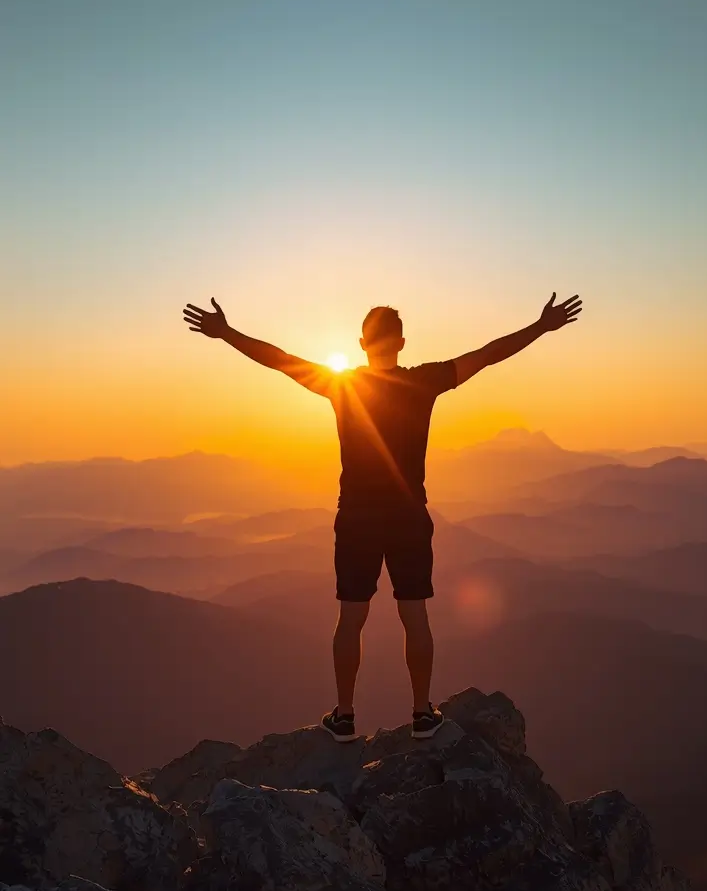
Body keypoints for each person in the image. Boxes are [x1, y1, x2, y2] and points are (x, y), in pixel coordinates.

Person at [182, 291, 582, 740]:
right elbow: (487, 355)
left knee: (351, 619)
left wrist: (226, 333)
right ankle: (422, 714)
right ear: (402, 343)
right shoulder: (425, 381)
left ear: (361, 343)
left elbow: (280, 360)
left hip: (357, 518)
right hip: (409, 516)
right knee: (415, 616)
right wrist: (540, 326)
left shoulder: (343, 385)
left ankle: (344, 716)